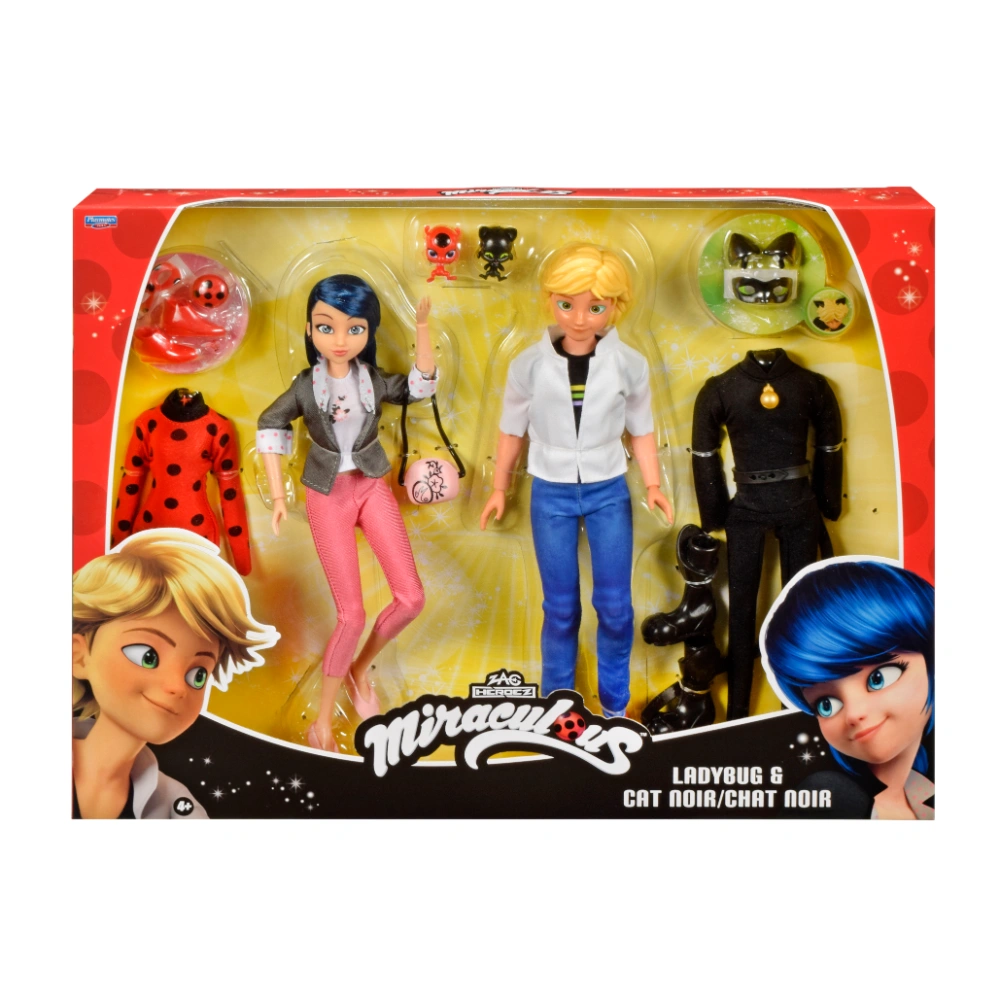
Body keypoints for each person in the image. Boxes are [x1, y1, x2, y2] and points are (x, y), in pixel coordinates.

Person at [480, 243, 672, 718]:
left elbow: (641, 428)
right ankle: (558, 707)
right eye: (567, 304)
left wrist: (653, 484)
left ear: (616, 307)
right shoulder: (528, 364)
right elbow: (511, 429)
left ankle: (615, 707)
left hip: (609, 488)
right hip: (550, 490)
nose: (580, 319)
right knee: (561, 608)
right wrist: (499, 488)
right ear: (550, 300)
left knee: (616, 606)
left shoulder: (629, 364)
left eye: (595, 307)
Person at [258, 274, 437, 751]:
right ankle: (321, 721)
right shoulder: (305, 386)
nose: (340, 340)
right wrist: (279, 496)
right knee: (350, 615)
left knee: (411, 599)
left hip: (371, 484)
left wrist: (422, 329)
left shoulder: (372, 380)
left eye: (354, 329)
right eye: (327, 327)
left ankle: (359, 669)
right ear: (310, 329)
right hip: (327, 492)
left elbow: (419, 387)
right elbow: (270, 421)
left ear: (368, 333)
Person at [72, 529, 277, 819]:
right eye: (148, 656)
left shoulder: (177, 809)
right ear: (78, 656)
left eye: (198, 675)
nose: (177, 687)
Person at [761, 558, 934, 820]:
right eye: (826, 705)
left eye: (878, 678)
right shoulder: (832, 800)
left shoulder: (924, 790)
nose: (854, 714)